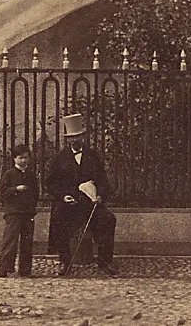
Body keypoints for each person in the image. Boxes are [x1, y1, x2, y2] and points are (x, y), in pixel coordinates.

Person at [46, 113, 117, 277]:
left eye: (78, 136)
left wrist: (101, 196)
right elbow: (51, 183)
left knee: (108, 219)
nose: (75, 140)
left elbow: (103, 181)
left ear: (83, 136)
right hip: (69, 203)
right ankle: (64, 260)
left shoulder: (93, 156)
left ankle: (105, 260)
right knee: (58, 218)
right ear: (67, 139)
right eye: (71, 137)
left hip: (90, 204)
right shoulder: (60, 159)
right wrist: (63, 196)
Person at [0, 145, 39, 278]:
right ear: (14, 159)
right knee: (10, 241)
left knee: (27, 241)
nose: (24, 161)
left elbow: (36, 193)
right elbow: (2, 192)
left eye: (26, 158)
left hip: (27, 212)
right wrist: (15, 190)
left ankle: (25, 270)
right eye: (21, 158)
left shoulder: (31, 175)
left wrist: (32, 208)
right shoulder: (9, 174)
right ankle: (4, 269)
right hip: (13, 212)